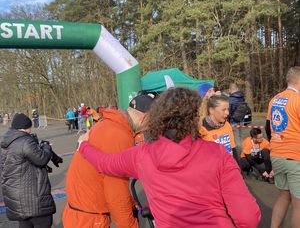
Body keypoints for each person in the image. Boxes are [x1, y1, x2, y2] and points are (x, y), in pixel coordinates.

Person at [78, 88, 261, 228]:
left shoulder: (142, 155)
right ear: (195, 118)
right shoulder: (218, 154)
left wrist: (84, 145)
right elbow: (248, 217)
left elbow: (105, 163)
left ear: (159, 118)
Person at [62, 94, 154, 228]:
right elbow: (116, 193)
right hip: (90, 218)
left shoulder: (109, 124)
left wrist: (130, 202)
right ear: (145, 117)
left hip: (81, 213)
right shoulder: (119, 135)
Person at [0, 113, 59, 228]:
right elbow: (41, 159)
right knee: (44, 223)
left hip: (14, 196)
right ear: (26, 127)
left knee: (25, 224)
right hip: (32, 197)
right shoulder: (25, 141)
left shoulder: (6, 142)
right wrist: (46, 147)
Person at [266, 66, 300, 228]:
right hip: (295, 156)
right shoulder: (298, 100)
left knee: (283, 196)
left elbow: (268, 127)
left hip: (277, 154)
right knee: (298, 204)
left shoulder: (274, 99)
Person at [200, 95, 240, 163]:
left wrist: (238, 169)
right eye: (223, 110)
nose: (227, 113)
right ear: (211, 110)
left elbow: (232, 148)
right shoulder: (201, 128)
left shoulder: (227, 125)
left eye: (228, 109)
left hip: (228, 166)